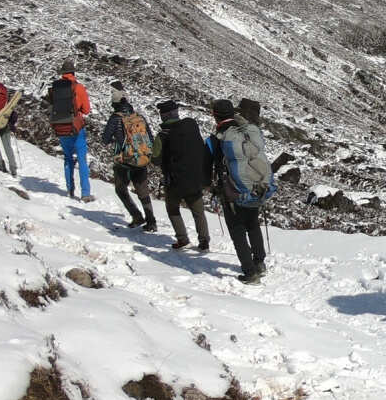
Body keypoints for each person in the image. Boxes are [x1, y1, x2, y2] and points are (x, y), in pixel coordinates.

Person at [208, 98, 270, 284]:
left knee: (237, 230)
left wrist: (212, 186)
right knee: (252, 223)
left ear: (215, 116)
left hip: (231, 190)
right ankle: (259, 262)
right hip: (254, 185)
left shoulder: (217, 139)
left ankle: (250, 273)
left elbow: (211, 165)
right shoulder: (247, 132)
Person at [154, 99, 211, 251]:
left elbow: (155, 159)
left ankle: (182, 239)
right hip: (195, 178)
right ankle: (204, 241)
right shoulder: (191, 128)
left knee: (172, 208)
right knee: (198, 211)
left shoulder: (163, 135)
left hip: (174, 182)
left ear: (164, 116)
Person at [103, 83, 159, 232]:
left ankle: (136, 216)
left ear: (114, 104)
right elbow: (150, 138)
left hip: (124, 160)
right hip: (141, 159)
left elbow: (105, 139)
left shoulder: (115, 119)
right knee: (143, 192)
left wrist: (117, 140)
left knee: (121, 189)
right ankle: (151, 221)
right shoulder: (139, 117)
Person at [47, 63, 93, 201]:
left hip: (60, 126)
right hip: (76, 127)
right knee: (81, 160)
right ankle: (85, 193)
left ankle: (69, 189)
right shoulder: (78, 87)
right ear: (73, 73)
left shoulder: (55, 88)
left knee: (68, 158)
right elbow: (86, 110)